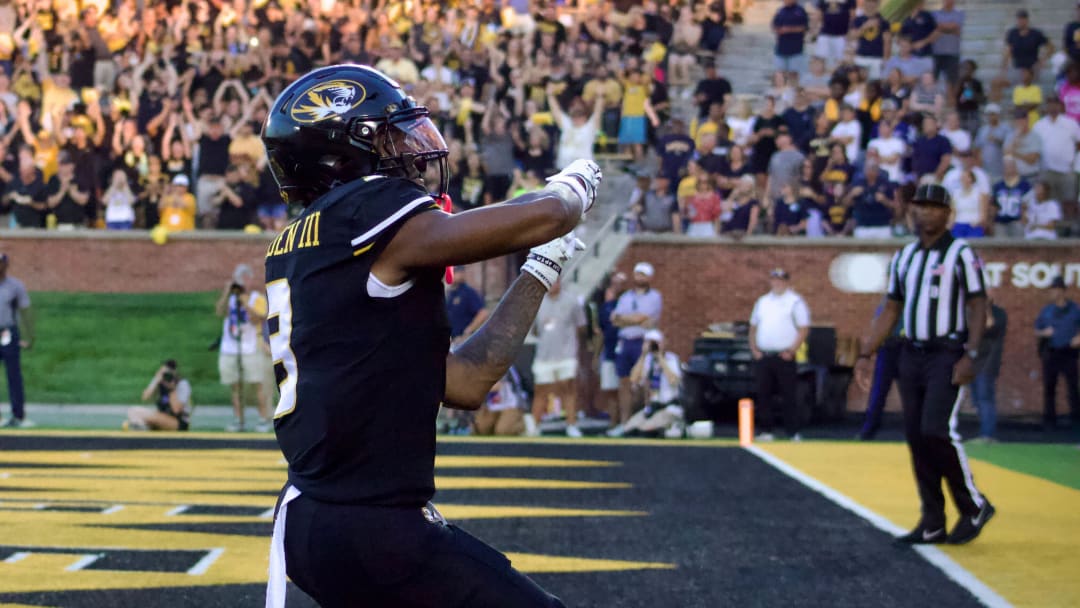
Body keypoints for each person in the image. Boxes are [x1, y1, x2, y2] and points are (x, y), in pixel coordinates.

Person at [261, 64, 601, 608]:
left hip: (322, 522)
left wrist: (539, 268)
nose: (413, 148)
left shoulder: (307, 240)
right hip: (369, 526)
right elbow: (540, 217)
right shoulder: (363, 207)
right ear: (346, 150)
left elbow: (465, 382)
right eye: (393, 134)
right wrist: (566, 196)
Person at [856, 183, 995, 545]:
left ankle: (974, 505)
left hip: (946, 352)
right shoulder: (905, 256)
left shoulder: (961, 253)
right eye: (920, 205)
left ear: (948, 214)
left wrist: (972, 353)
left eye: (934, 206)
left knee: (935, 429)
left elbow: (979, 305)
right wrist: (866, 351)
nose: (925, 212)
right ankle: (932, 520)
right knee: (917, 437)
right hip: (910, 352)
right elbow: (891, 308)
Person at [749, 268, 810, 441]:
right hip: (764, 355)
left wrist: (792, 350)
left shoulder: (795, 301)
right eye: (774, 279)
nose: (777, 283)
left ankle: (792, 431)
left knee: (788, 394)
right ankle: (766, 430)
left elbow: (803, 328)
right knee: (763, 394)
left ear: (787, 282)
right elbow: (753, 327)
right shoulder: (762, 301)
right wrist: (754, 349)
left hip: (784, 355)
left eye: (781, 280)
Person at [216, 264, 271, 433]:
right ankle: (239, 420)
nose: (242, 283)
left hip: (250, 347)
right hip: (229, 347)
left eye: (245, 279)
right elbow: (220, 311)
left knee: (257, 385)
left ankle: (263, 419)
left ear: (251, 280)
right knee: (235, 387)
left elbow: (259, 318)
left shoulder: (256, 298)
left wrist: (244, 300)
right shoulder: (231, 298)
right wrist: (227, 293)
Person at [530, 280, 587, 437]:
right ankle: (535, 426)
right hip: (544, 354)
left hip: (566, 353)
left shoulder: (572, 301)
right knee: (541, 390)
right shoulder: (537, 301)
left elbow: (581, 326)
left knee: (568, 389)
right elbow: (534, 330)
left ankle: (571, 425)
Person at [611, 262, 664, 429]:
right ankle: (624, 422)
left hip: (643, 341)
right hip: (625, 341)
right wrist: (633, 320)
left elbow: (646, 319)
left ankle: (641, 420)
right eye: (637, 274)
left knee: (643, 383)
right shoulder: (626, 296)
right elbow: (615, 319)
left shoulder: (655, 296)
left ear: (649, 277)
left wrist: (626, 319)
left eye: (643, 274)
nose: (639, 277)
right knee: (624, 382)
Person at [607, 330, 684, 438]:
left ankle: (668, 427)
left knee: (645, 431)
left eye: (655, 342)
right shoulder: (648, 360)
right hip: (652, 408)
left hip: (668, 408)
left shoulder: (671, 359)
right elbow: (634, 379)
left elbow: (674, 380)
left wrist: (660, 357)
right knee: (629, 430)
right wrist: (643, 356)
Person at [1035, 276, 1080, 431]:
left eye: (1055, 290)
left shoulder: (1074, 309)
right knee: (1049, 388)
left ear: (1062, 291)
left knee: (1073, 388)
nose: (1052, 293)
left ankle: (1075, 421)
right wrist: (1044, 333)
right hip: (1051, 352)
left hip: (1069, 351)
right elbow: (1037, 330)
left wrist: (1078, 338)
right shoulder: (1047, 311)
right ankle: (1049, 422)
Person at [857, 296, 901, 440]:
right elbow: (877, 322)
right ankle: (868, 429)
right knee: (878, 390)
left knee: (911, 392)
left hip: (908, 347)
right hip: (888, 346)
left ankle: (918, 431)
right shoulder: (888, 300)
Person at [0, 253, 33, 428]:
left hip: (8, 332)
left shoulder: (15, 286)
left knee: (13, 374)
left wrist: (29, 336)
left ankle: (18, 415)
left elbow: (25, 310)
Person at [972, 298, 1007, 443]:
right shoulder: (974, 312)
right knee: (977, 399)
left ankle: (988, 434)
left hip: (988, 364)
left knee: (985, 398)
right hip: (974, 364)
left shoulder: (998, 313)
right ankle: (984, 432)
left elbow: (990, 326)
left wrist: (986, 309)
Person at [126, 359, 193, 431]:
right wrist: (156, 379)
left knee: (139, 417)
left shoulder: (182, 384)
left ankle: (141, 427)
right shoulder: (161, 382)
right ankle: (141, 426)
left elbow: (176, 411)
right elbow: (145, 397)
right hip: (162, 417)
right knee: (132, 410)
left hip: (178, 422)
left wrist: (171, 389)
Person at [472, 368, 527, 437]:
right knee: (480, 429)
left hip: (511, 404)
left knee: (503, 431)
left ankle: (522, 425)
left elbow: (495, 386)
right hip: (493, 405)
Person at [446, 269, 488, 345]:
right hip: (452, 342)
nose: (452, 275)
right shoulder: (450, 294)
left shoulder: (468, 292)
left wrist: (468, 331)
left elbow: (483, 313)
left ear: (462, 274)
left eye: (455, 272)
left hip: (464, 342)